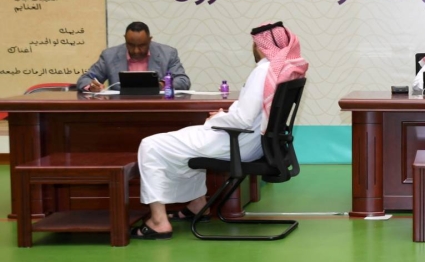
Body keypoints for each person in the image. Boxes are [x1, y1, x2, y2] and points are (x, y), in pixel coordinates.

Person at [130, 22, 308, 239]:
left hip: (238, 142)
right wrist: (224, 116)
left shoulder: (263, 71)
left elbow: (243, 118)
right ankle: (197, 204)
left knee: (151, 144)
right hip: (257, 144)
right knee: (183, 141)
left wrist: (220, 117)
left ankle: (158, 222)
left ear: (260, 45)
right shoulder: (284, 70)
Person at [76, 21, 190, 92]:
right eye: (131, 45)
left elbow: (183, 81)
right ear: (125, 39)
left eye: (141, 46)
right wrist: (91, 86)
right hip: (120, 111)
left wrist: (163, 84)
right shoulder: (109, 56)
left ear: (149, 40)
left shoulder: (168, 53)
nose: (136, 50)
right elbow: (84, 79)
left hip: (158, 108)